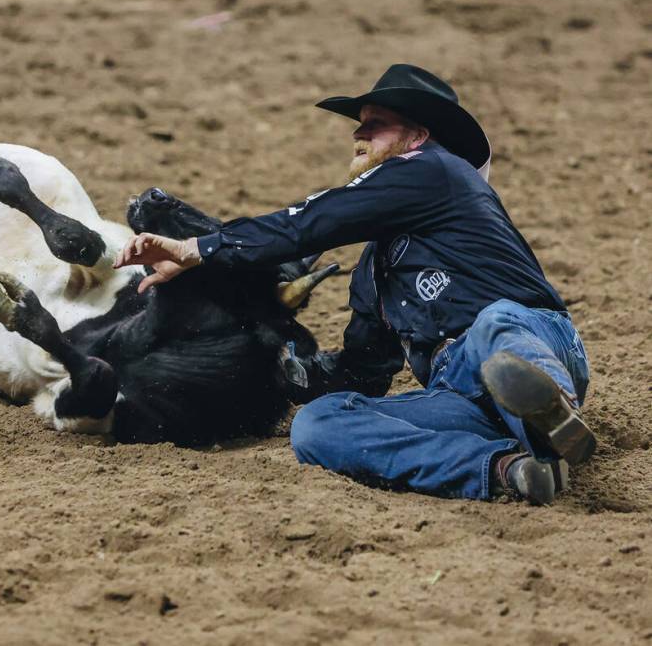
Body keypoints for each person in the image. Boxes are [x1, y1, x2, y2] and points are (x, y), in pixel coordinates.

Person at [112, 64, 596, 504]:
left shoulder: (436, 171)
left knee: (495, 325)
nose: (357, 134)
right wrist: (295, 371)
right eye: (359, 124)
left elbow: (312, 221)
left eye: (375, 124)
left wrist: (197, 250)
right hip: (460, 396)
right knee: (318, 425)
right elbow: (367, 369)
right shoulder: (374, 271)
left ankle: (551, 412)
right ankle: (510, 469)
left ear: (417, 138)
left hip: (530, 340)